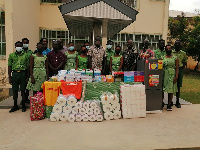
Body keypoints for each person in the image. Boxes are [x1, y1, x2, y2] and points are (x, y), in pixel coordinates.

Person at [8, 41, 29, 112]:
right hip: (15, 74)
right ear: (15, 46)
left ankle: (23, 105)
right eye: (17, 46)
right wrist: (9, 76)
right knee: (15, 90)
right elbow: (10, 66)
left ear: (22, 47)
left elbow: (28, 66)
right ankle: (15, 105)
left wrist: (27, 77)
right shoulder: (11, 55)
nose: (18, 47)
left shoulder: (25, 55)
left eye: (20, 46)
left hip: (23, 73)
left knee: (23, 90)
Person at [162, 45, 179, 111]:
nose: (168, 50)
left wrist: (176, 76)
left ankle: (169, 105)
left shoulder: (175, 58)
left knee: (170, 90)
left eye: (170, 48)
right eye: (167, 49)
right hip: (164, 74)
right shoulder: (162, 57)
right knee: (162, 90)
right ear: (165, 50)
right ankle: (162, 103)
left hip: (172, 74)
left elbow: (177, 67)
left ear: (171, 49)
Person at [172, 40, 187, 108]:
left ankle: (177, 101)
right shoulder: (171, 52)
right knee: (171, 85)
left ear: (181, 45)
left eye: (179, 44)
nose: (177, 45)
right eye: (176, 44)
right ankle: (170, 101)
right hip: (172, 69)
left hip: (180, 69)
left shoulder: (183, 53)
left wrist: (181, 69)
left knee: (178, 86)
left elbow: (184, 62)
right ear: (174, 45)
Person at [22, 38, 33, 104]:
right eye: (24, 43)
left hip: (28, 70)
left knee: (28, 85)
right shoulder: (20, 52)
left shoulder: (30, 52)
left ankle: (27, 98)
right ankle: (23, 99)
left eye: (26, 43)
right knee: (23, 86)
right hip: (22, 70)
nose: (25, 44)